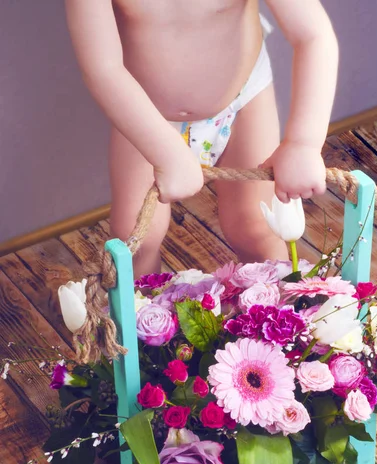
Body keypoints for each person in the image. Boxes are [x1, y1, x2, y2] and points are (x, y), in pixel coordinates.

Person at [65, 0, 338, 276]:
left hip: (241, 100)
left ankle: (271, 314)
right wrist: (166, 152)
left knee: (256, 228)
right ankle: (142, 313)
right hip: (144, 115)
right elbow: (102, 68)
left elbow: (313, 35)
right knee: (135, 240)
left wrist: (303, 143)